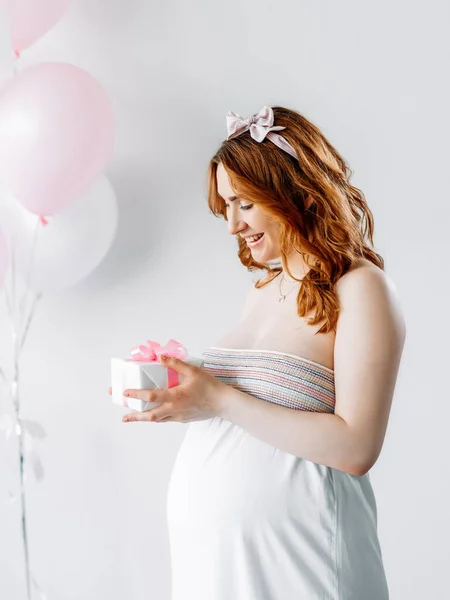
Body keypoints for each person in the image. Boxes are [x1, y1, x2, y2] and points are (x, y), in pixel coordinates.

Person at [119, 105, 406, 599]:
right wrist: (188, 400)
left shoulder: (361, 288)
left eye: (244, 204)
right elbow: (261, 420)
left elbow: (357, 449)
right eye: (225, 207)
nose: (232, 225)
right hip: (217, 568)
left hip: (304, 563)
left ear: (292, 192)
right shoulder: (261, 290)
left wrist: (221, 400)